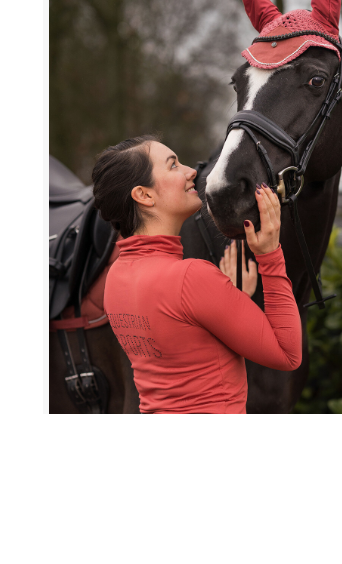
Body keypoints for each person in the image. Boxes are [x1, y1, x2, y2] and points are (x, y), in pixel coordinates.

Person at [92, 134, 302, 414]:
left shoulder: (115, 277)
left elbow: (181, 344)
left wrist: (231, 300)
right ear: (144, 195)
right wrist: (270, 254)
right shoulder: (192, 277)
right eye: (173, 166)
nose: (192, 171)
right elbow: (288, 354)